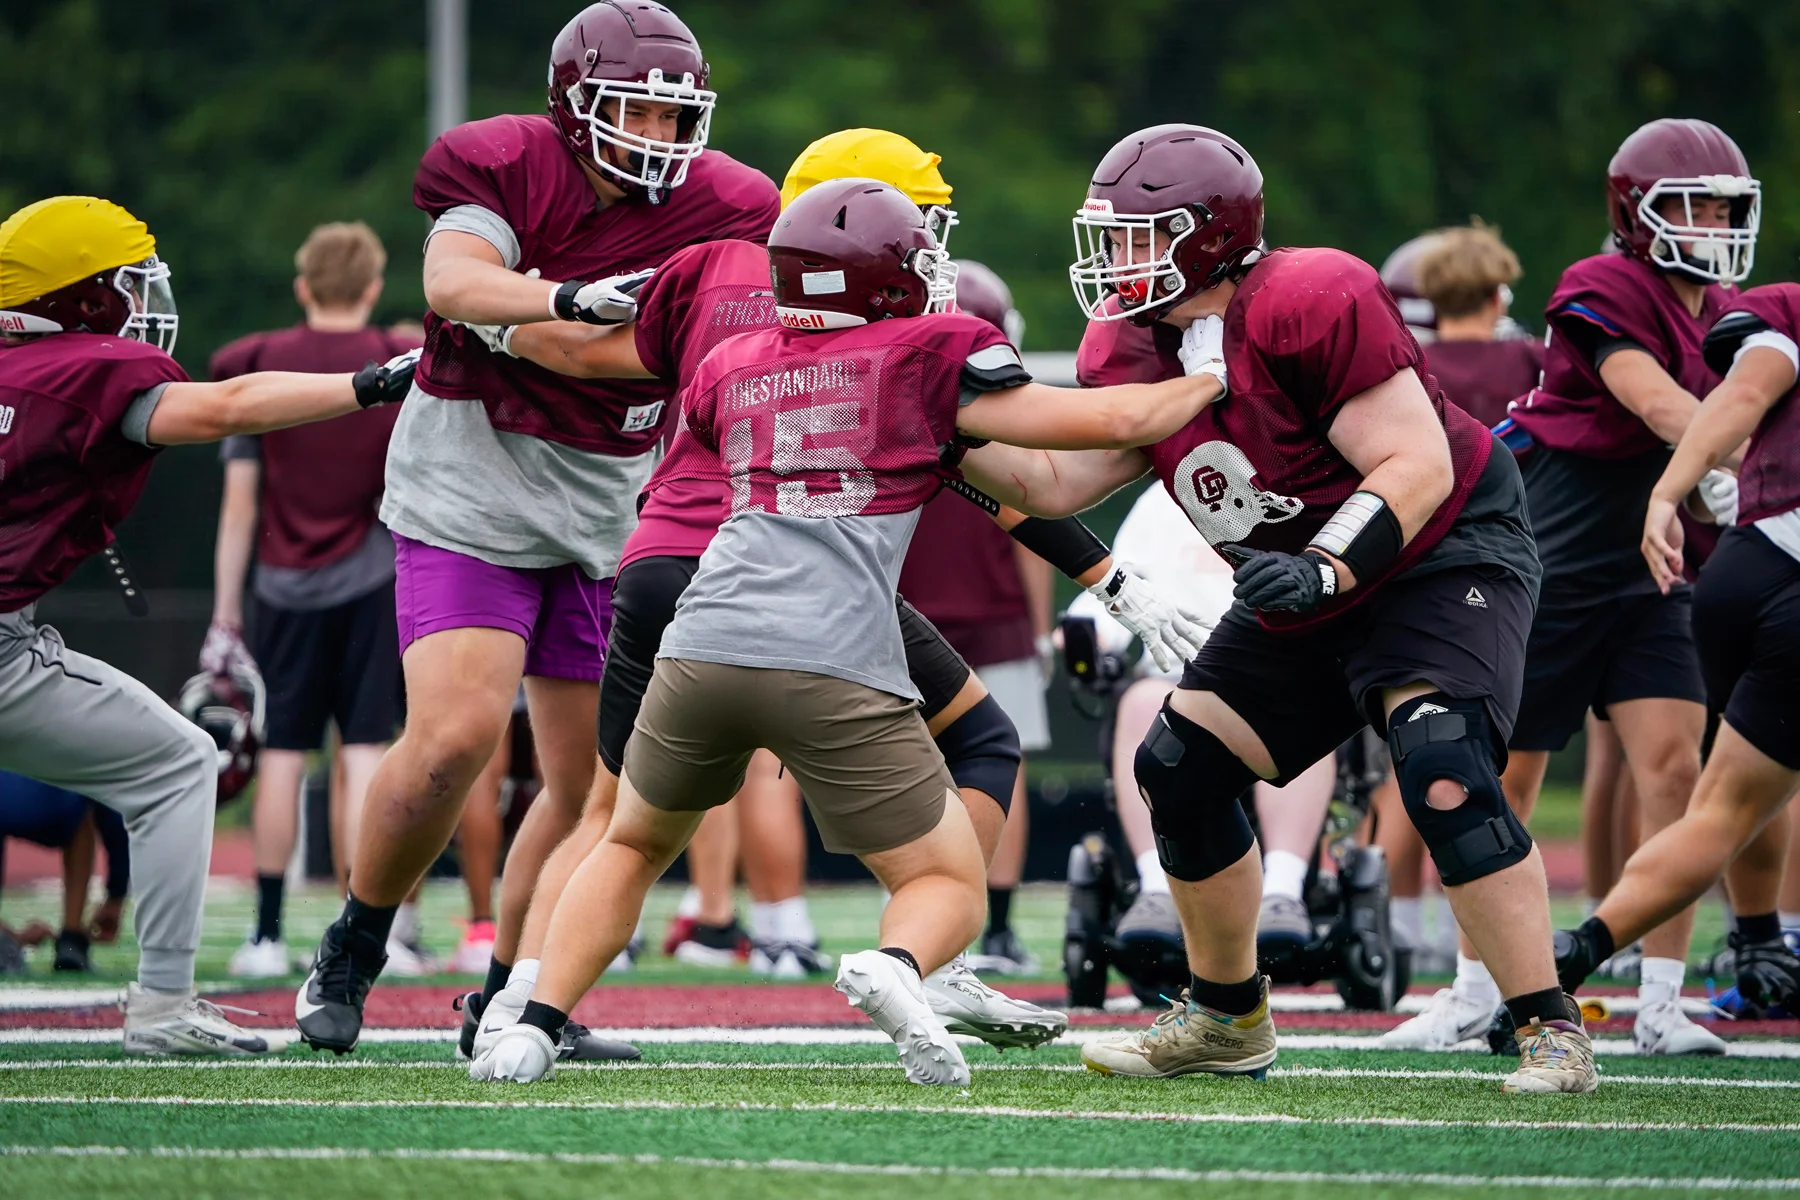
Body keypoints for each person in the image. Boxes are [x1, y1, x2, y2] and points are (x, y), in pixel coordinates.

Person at [457, 127, 1203, 1060]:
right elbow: (1092, 435)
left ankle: (524, 1026)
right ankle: (911, 960)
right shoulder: (928, 351)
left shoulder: (727, 359)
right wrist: (1216, 375)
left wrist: (501, 320)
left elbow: (614, 370)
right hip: (829, 645)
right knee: (950, 876)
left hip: (696, 627)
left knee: (626, 839)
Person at [967, 123, 1593, 1094]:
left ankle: (1551, 1030)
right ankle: (1227, 1014)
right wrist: (936, 429)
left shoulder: (1310, 297)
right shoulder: (1132, 346)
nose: (1114, 261)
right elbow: (1055, 479)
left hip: (1439, 547)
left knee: (1440, 769)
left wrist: (1328, 573)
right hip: (1308, 573)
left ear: (1209, 235)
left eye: (1139, 236)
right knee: (1178, 764)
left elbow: (1415, 463)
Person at [294, 0, 780, 1055]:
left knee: (591, 785)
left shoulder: (733, 202)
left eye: (672, 117)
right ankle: (355, 943)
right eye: (633, 114)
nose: (656, 139)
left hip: (611, 491)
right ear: (574, 107)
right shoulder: (506, 163)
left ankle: (512, 999)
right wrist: (566, 297)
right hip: (475, 467)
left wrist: (557, 329)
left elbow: (620, 355)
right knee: (456, 740)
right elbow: (452, 281)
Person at [0, 194, 415, 1055]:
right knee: (179, 761)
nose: (142, 302)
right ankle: (161, 1008)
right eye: (125, 286)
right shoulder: (89, 369)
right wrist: (368, 385)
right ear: (80, 300)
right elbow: (224, 408)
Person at [1392, 118, 1758, 1057]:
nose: (1714, 222)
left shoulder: (1726, 308)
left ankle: (1662, 1002)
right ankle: (1478, 987)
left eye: (1725, 205)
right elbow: (1656, 400)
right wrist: (1725, 458)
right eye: (1695, 204)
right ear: (1638, 211)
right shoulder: (1601, 286)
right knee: (1502, 774)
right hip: (1548, 555)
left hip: (1654, 564)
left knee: (1674, 766)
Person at [1555, 282, 1800, 1017]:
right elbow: (1746, 395)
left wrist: (1670, 492)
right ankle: (1766, 941)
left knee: (1726, 804)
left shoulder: (1784, 306)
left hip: (1743, 562)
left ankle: (1573, 955)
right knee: (1738, 796)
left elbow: (1745, 395)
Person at [1061, 366, 1337, 969]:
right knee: (1139, 703)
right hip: (1182, 672)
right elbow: (1121, 579)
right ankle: (1156, 885)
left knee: (1313, 712)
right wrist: (1089, 636)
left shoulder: (1312, 481)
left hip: (1282, 668)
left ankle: (1285, 890)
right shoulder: (1166, 496)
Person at [203, 222, 419, 979]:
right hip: (370, 578)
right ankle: (369, 935)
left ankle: (265, 935)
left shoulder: (259, 362)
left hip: (279, 586)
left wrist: (226, 610)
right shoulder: (391, 367)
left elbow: (239, 506)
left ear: (302, 287)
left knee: (283, 755)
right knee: (365, 751)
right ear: (369, 287)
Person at [1372, 222, 1543, 972]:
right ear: (1499, 289)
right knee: (1496, 769)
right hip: (1511, 572)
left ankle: (1400, 920)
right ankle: (1478, 944)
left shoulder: (1417, 366)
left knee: (1414, 756)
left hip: (1412, 571)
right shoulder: (1532, 358)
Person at [899, 261, 1053, 976]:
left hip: (905, 614)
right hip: (992, 613)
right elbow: (1036, 526)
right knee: (999, 761)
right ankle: (996, 927)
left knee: (914, 773)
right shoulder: (1009, 425)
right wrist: (1041, 624)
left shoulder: (884, 402)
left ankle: (922, 918)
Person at [0, 771, 128, 972]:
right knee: (84, 805)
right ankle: (72, 937)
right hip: (64, 795)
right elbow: (114, 809)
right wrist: (116, 895)